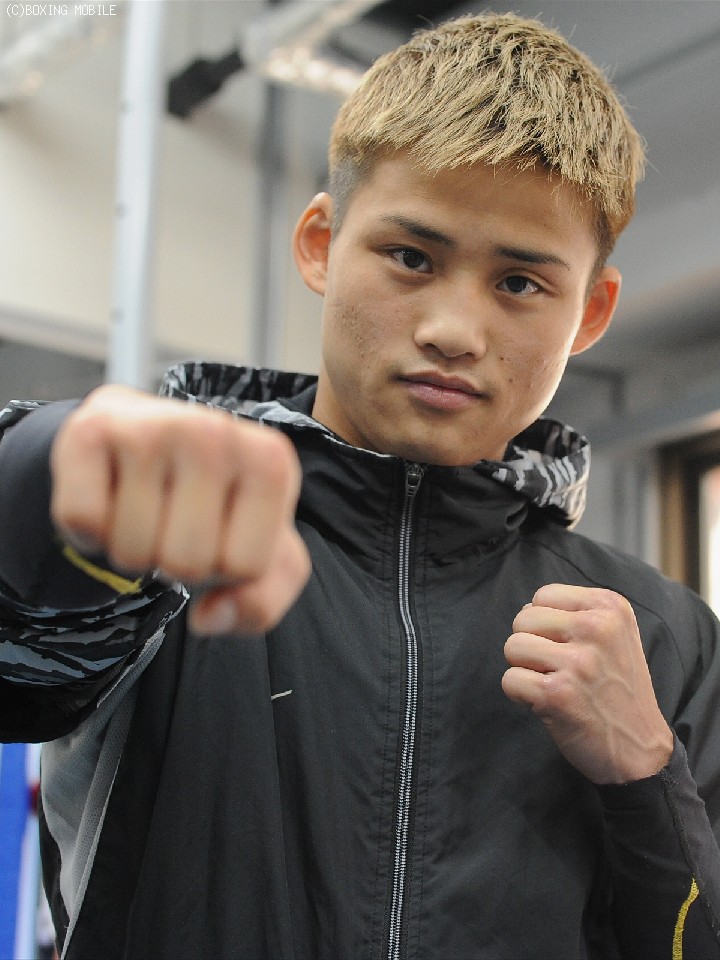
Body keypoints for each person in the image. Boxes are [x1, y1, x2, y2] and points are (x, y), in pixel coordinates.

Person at [1, 11, 719, 959]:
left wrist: (647, 775)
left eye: (519, 283)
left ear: (590, 313)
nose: (453, 330)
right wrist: (49, 472)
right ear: (319, 243)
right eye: (411, 258)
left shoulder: (663, 635)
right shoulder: (170, 539)